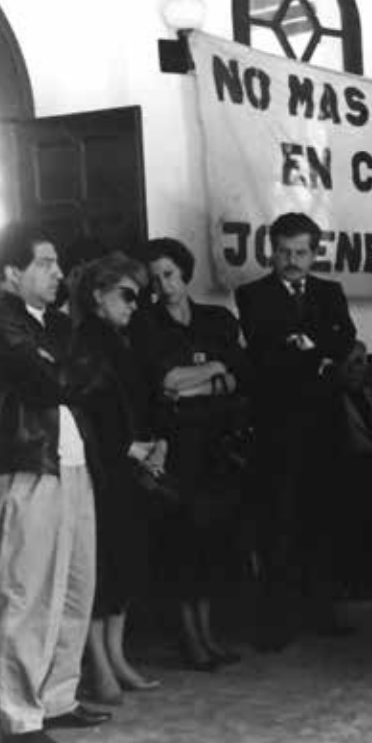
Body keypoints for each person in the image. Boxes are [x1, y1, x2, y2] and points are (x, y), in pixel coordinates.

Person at [0, 225, 109, 743]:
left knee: (75, 587)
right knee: (28, 595)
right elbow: (50, 384)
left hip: (74, 465)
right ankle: (18, 716)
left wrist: (63, 369)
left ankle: (58, 697)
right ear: (11, 273)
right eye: (45, 263)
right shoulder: (3, 321)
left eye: (57, 263)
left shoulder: (60, 325)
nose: (58, 273)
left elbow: (93, 376)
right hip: (31, 464)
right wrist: (67, 370)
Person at [235, 212, 357, 649]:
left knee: (323, 518)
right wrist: (317, 352)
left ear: (314, 253)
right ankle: (278, 623)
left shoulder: (330, 291)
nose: (291, 260)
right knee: (279, 524)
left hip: (325, 425)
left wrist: (307, 345)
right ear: (271, 252)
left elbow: (345, 340)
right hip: (278, 428)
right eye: (284, 252)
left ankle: (322, 610)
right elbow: (265, 351)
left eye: (300, 252)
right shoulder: (251, 294)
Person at [142, 238, 246, 671]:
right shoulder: (146, 324)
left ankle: (209, 635)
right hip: (177, 447)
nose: (163, 285)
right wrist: (214, 371)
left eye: (168, 274)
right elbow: (164, 381)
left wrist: (193, 385)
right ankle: (191, 640)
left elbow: (238, 376)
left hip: (217, 445)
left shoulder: (216, 319)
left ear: (184, 272)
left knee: (212, 542)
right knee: (183, 543)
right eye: (154, 279)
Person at [70, 253, 165, 706]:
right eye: (126, 295)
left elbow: (142, 400)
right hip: (102, 470)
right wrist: (127, 447)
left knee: (125, 560)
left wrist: (154, 444)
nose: (134, 304)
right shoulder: (85, 342)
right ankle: (101, 666)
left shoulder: (122, 340)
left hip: (127, 467)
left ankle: (117, 656)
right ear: (97, 296)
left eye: (137, 296)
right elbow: (86, 411)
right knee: (102, 566)